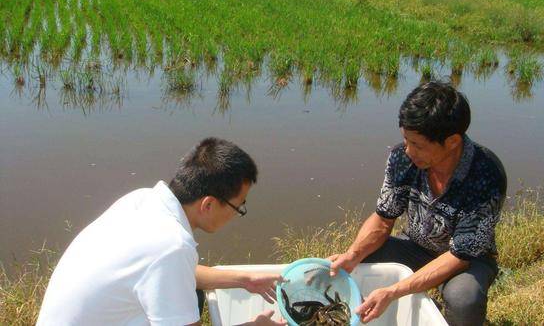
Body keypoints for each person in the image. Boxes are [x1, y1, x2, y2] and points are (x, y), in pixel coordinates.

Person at [37, 137, 286, 326]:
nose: (238, 212)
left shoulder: (142, 200)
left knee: (192, 297)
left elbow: (175, 273)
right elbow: (169, 264)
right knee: (188, 300)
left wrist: (245, 280)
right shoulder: (171, 246)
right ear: (208, 204)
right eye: (238, 205)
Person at [329, 81, 507, 326]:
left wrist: (394, 291)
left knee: (463, 298)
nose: (409, 151)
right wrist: (353, 255)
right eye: (406, 140)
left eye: (418, 145)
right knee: (361, 259)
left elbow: (460, 255)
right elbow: (383, 219)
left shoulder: (485, 174)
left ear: (453, 141)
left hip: (466, 260)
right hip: (415, 246)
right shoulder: (401, 158)